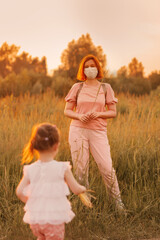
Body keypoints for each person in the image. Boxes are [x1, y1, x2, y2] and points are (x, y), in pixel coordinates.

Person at [64, 54, 125, 211]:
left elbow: (113, 112)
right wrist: (79, 116)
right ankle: (85, 204)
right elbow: (67, 111)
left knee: (106, 166)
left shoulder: (106, 88)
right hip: (78, 130)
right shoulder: (77, 88)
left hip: (98, 131)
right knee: (81, 170)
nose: (90, 68)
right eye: (87, 66)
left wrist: (99, 114)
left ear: (98, 68)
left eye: (93, 65)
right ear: (83, 69)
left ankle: (117, 204)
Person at [16, 123, 86, 240]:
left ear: (35, 146)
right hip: (53, 221)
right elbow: (76, 189)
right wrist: (82, 189)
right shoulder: (62, 168)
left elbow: (19, 192)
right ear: (56, 146)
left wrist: (33, 201)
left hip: (36, 220)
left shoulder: (30, 169)